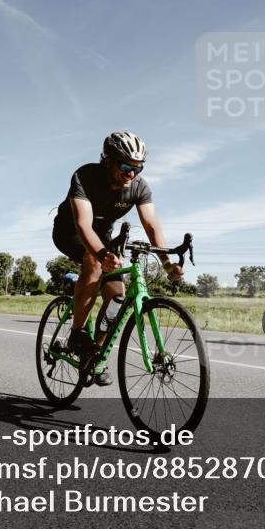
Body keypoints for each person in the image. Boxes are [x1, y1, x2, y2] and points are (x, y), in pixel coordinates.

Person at [51, 131, 183, 386]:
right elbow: (83, 225)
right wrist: (102, 255)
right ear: (108, 161)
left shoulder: (139, 187)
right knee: (93, 260)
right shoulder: (85, 176)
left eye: (138, 168)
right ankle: (77, 334)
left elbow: (151, 225)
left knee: (117, 298)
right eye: (125, 167)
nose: (132, 174)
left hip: (103, 236)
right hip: (70, 232)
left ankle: (94, 354)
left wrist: (167, 263)